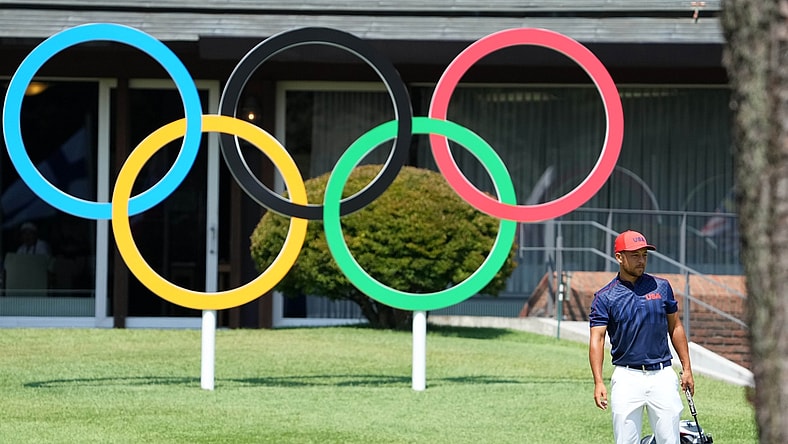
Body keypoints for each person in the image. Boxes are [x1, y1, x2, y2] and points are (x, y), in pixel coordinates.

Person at [589, 230, 694, 444]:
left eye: (644, 255)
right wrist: (598, 381)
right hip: (627, 378)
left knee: (669, 441)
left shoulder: (662, 287)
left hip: (663, 375)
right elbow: (597, 339)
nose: (642, 260)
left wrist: (687, 368)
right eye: (635, 255)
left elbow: (675, 326)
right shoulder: (604, 296)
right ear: (619, 257)